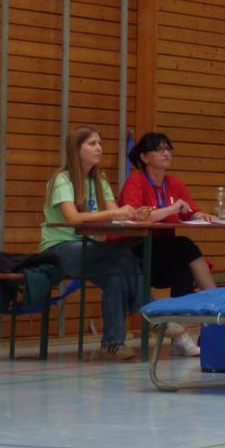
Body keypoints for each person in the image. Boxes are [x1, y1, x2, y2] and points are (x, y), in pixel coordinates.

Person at [39, 126, 145, 361]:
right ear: (76, 149)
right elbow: (73, 218)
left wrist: (133, 215)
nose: (99, 148)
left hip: (89, 249)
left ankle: (112, 345)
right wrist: (114, 214)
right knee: (121, 257)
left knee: (117, 271)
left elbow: (115, 213)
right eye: (92, 144)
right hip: (60, 248)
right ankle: (146, 309)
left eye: (100, 143)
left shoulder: (100, 180)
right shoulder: (62, 180)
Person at [117, 132, 215, 357]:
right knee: (184, 246)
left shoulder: (174, 183)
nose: (166, 153)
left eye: (168, 148)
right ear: (144, 157)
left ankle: (180, 337)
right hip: (136, 251)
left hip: (163, 254)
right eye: (159, 149)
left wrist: (199, 214)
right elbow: (137, 217)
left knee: (182, 270)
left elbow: (189, 211)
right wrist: (171, 209)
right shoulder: (135, 182)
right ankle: (215, 304)